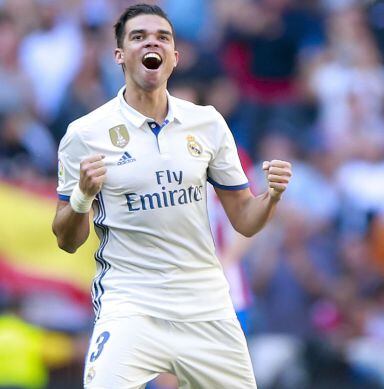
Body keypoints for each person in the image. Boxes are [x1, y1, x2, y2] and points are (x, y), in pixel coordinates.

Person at [51, 4, 292, 388]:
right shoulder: (85, 134)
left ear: (175, 58)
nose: (152, 42)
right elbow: (67, 239)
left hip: (206, 307)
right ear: (119, 55)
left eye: (163, 37)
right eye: (139, 36)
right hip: (131, 305)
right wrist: (82, 195)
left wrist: (272, 196)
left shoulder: (208, 123)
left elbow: (245, 218)